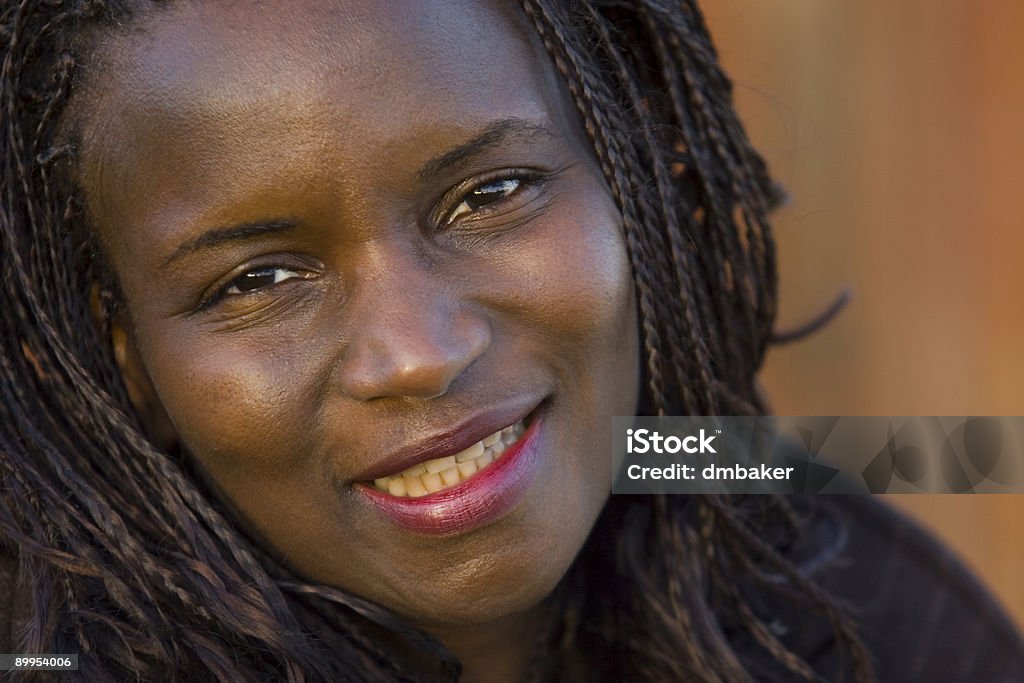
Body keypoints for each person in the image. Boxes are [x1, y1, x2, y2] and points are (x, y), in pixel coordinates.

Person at [1, 1, 1021, 681]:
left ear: (638, 178)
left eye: (490, 193)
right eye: (256, 280)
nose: (416, 352)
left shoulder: (841, 593)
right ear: (126, 361)